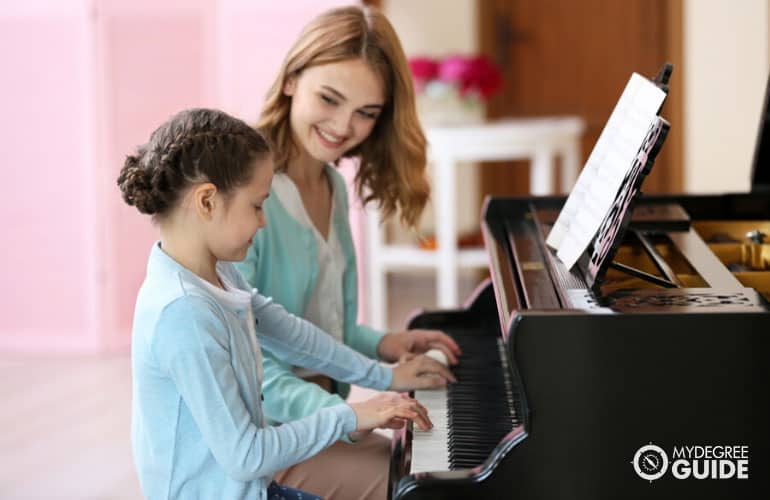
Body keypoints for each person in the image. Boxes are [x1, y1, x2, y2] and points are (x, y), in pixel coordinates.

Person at [119, 108, 453, 500]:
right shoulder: (184, 313)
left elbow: (295, 335)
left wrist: (385, 377)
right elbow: (246, 455)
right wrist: (349, 416)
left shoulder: (217, 274)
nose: (263, 223)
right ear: (207, 201)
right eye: (257, 206)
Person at [235, 6, 462, 499]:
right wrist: (349, 413)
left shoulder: (332, 186)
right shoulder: (245, 194)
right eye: (330, 99)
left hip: (315, 422)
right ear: (293, 79)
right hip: (264, 438)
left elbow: (318, 328)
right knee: (423, 483)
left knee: (436, 465)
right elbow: (243, 362)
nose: (343, 126)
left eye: (366, 113)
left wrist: (384, 345)